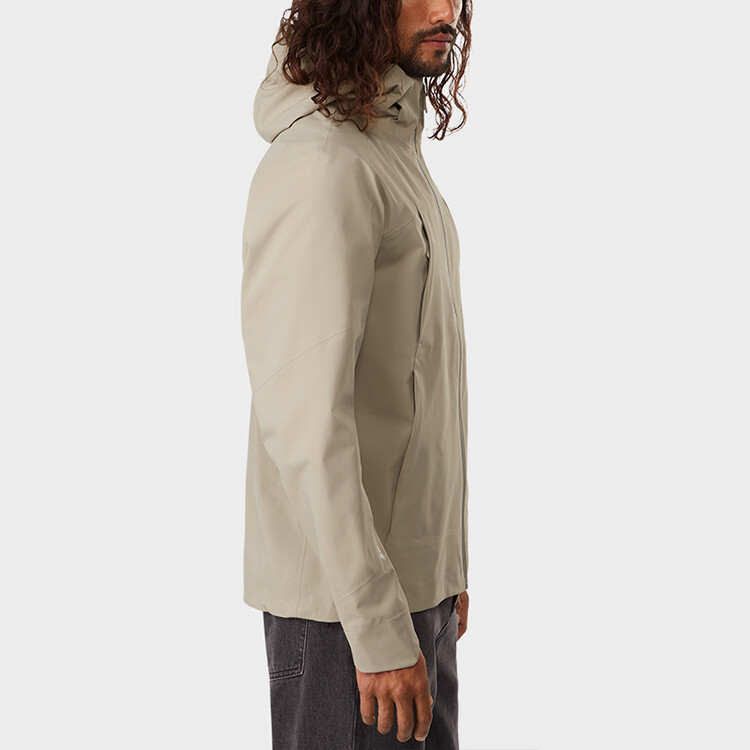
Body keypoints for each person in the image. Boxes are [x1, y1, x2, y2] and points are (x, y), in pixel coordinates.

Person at [240, 1, 473, 746]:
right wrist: (376, 622)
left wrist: (441, 569)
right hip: (345, 619)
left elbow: (413, 387)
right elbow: (308, 424)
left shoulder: (389, 155)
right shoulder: (323, 165)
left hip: (406, 598)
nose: (447, 9)